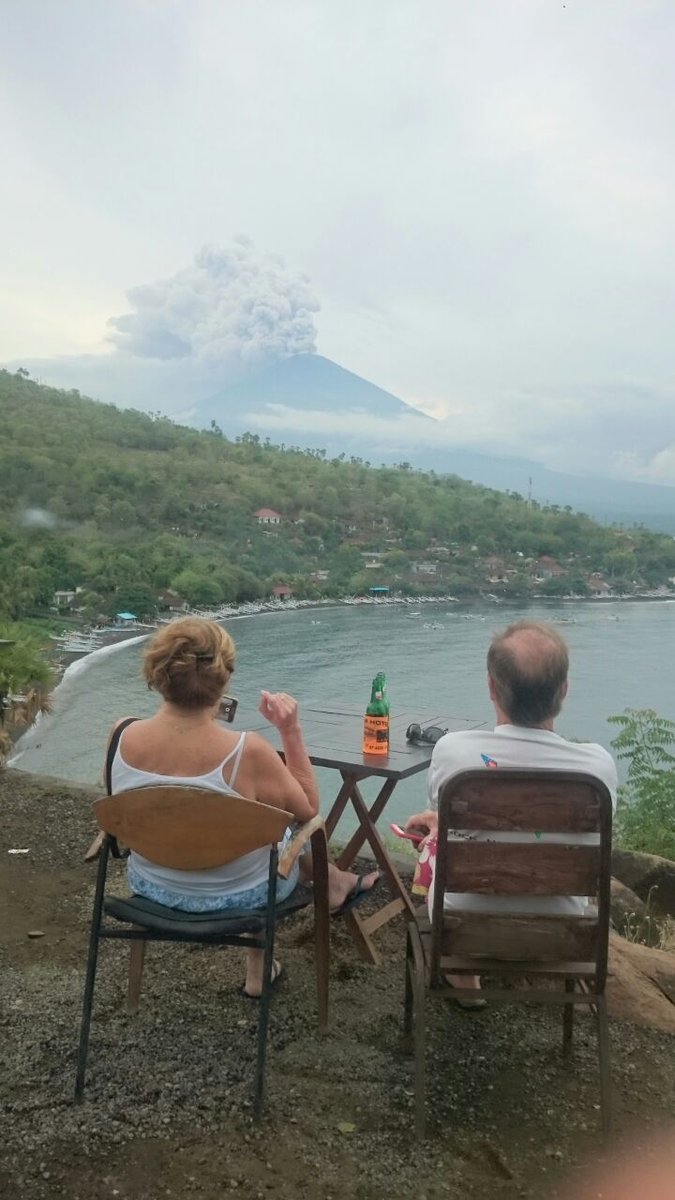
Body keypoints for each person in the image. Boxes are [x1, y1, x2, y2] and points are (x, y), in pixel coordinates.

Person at [107, 617, 379, 997]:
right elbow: (309, 811)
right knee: (276, 830)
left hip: (152, 886)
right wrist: (290, 731)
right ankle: (268, 961)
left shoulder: (120, 734)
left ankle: (334, 884)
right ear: (224, 679)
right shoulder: (246, 751)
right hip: (244, 897)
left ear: (157, 672)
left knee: (252, 827)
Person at [405, 621, 618, 1003]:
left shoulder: (455, 753)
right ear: (564, 690)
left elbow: (463, 825)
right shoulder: (596, 769)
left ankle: (465, 980)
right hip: (562, 932)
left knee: (438, 856)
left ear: (492, 687)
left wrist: (440, 823)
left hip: (463, 927)